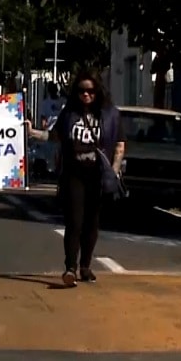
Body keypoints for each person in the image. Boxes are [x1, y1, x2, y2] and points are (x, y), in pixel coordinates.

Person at [26, 71, 126, 287]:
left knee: (92, 222)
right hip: (74, 173)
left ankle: (85, 266)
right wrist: (32, 132)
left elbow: (119, 145)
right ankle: (70, 267)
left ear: (97, 92)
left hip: (98, 175)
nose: (86, 95)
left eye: (90, 91)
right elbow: (54, 136)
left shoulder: (110, 115)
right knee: (74, 221)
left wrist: (113, 171)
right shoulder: (69, 113)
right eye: (81, 91)